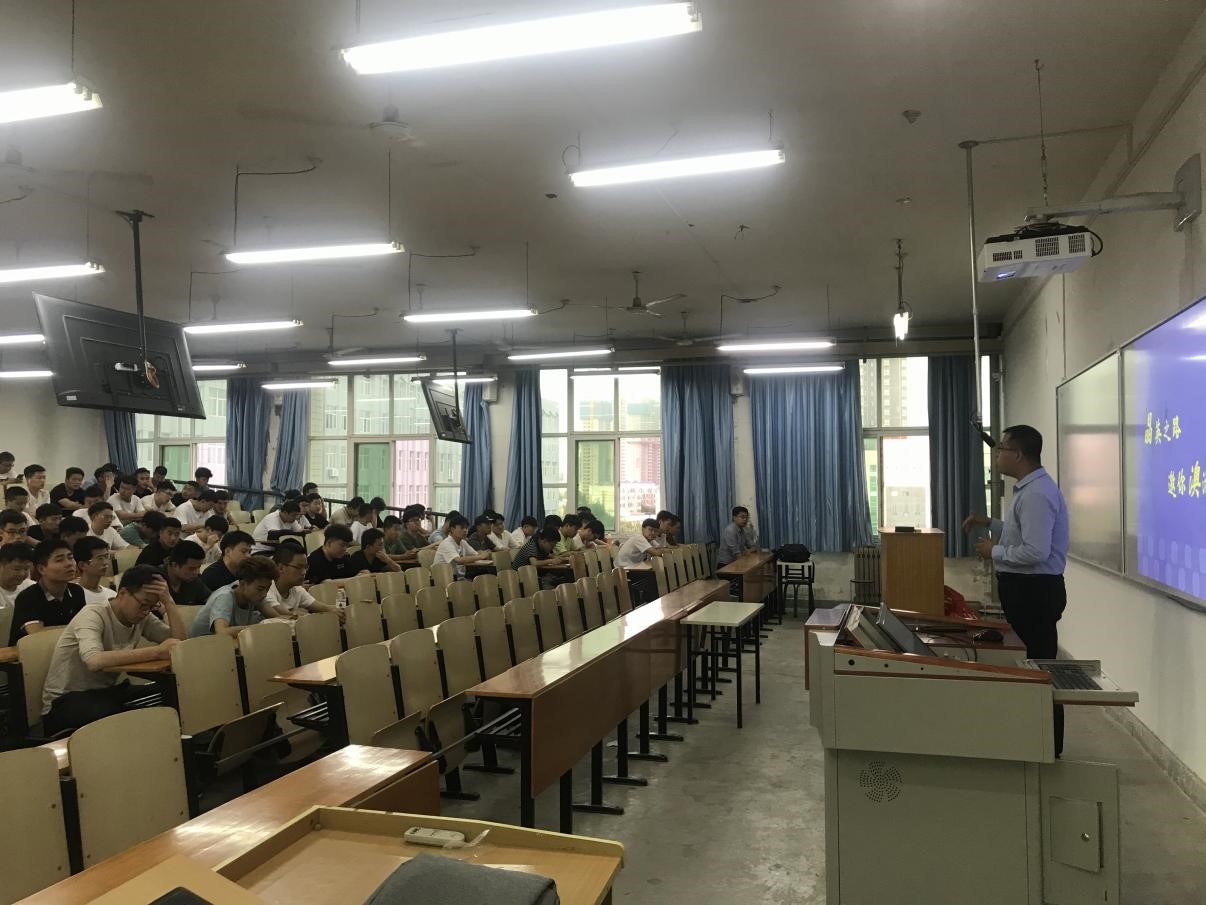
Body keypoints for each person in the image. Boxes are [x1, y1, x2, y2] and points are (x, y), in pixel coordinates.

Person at [964, 424, 1070, 757]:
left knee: (1038, 668)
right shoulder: (1029, 489)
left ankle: (1047, 745)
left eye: (1001, 449)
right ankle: (1034, 739)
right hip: (1028, 591)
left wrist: (993, 551)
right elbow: (1019, 532)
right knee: (1030, 665)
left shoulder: (1036, 494)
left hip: (1034, 593)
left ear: (1019, 454)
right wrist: (990, 522)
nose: (997, 455)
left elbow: (1035, 551)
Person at [40, 567, 187, 732]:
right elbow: (94, 661)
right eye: (144, 604)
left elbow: (178, 644)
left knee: (175, 690)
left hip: (106, 692)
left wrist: (169, 603)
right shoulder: (93, 614)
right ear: (123, 593)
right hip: (66, 700)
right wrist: (156, 652)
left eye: (152, 606)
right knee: (122, 717)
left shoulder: (143, 616)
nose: (146, 611)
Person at [9, 540, 87, 645]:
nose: (69, 563)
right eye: (59, 560)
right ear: (42, 569)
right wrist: (75, 628)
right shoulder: (28, 597)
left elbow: (84, 626)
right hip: (30, 652)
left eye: (70, 558)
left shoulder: (77, 591)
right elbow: (37, 633)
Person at [189, 556, 279, 638]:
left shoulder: (254, 596)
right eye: (260, 589)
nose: (264, 594)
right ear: (243, 584)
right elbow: (222, 632)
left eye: (267, 589)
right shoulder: (224, 596)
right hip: (201, 647)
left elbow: (277, 620)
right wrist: (261, 627)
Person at [265, 544, 342, 620]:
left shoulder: (297, 589)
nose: (304, 572)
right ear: (280, 568)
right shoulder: (266, 588)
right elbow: (280, 612)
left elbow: (323, 608)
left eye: (305, 567)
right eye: (298, 567)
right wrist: (299, 614)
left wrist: (337, 611)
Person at [433, 515, 492, 579]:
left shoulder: (463, 542)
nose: (465, 530)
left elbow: (475, 554)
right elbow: (458, 560)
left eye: (466, 528)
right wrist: (480, 556)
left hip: (458, 578)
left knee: (486, 576)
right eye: (462, 528)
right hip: (443, 579)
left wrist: (483, 553)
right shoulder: (447, 543)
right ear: (452, 529)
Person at [73, 536, 117, 606]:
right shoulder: (73, 596)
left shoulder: (112, 595)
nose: (105, 562)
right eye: (99, 558)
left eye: (106, 556)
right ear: (82, 565)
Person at [0, 542, 35, 609]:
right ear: (1, 565)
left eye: (26, 569)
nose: (22, 574)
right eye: (17, 569)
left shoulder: (31, 587)